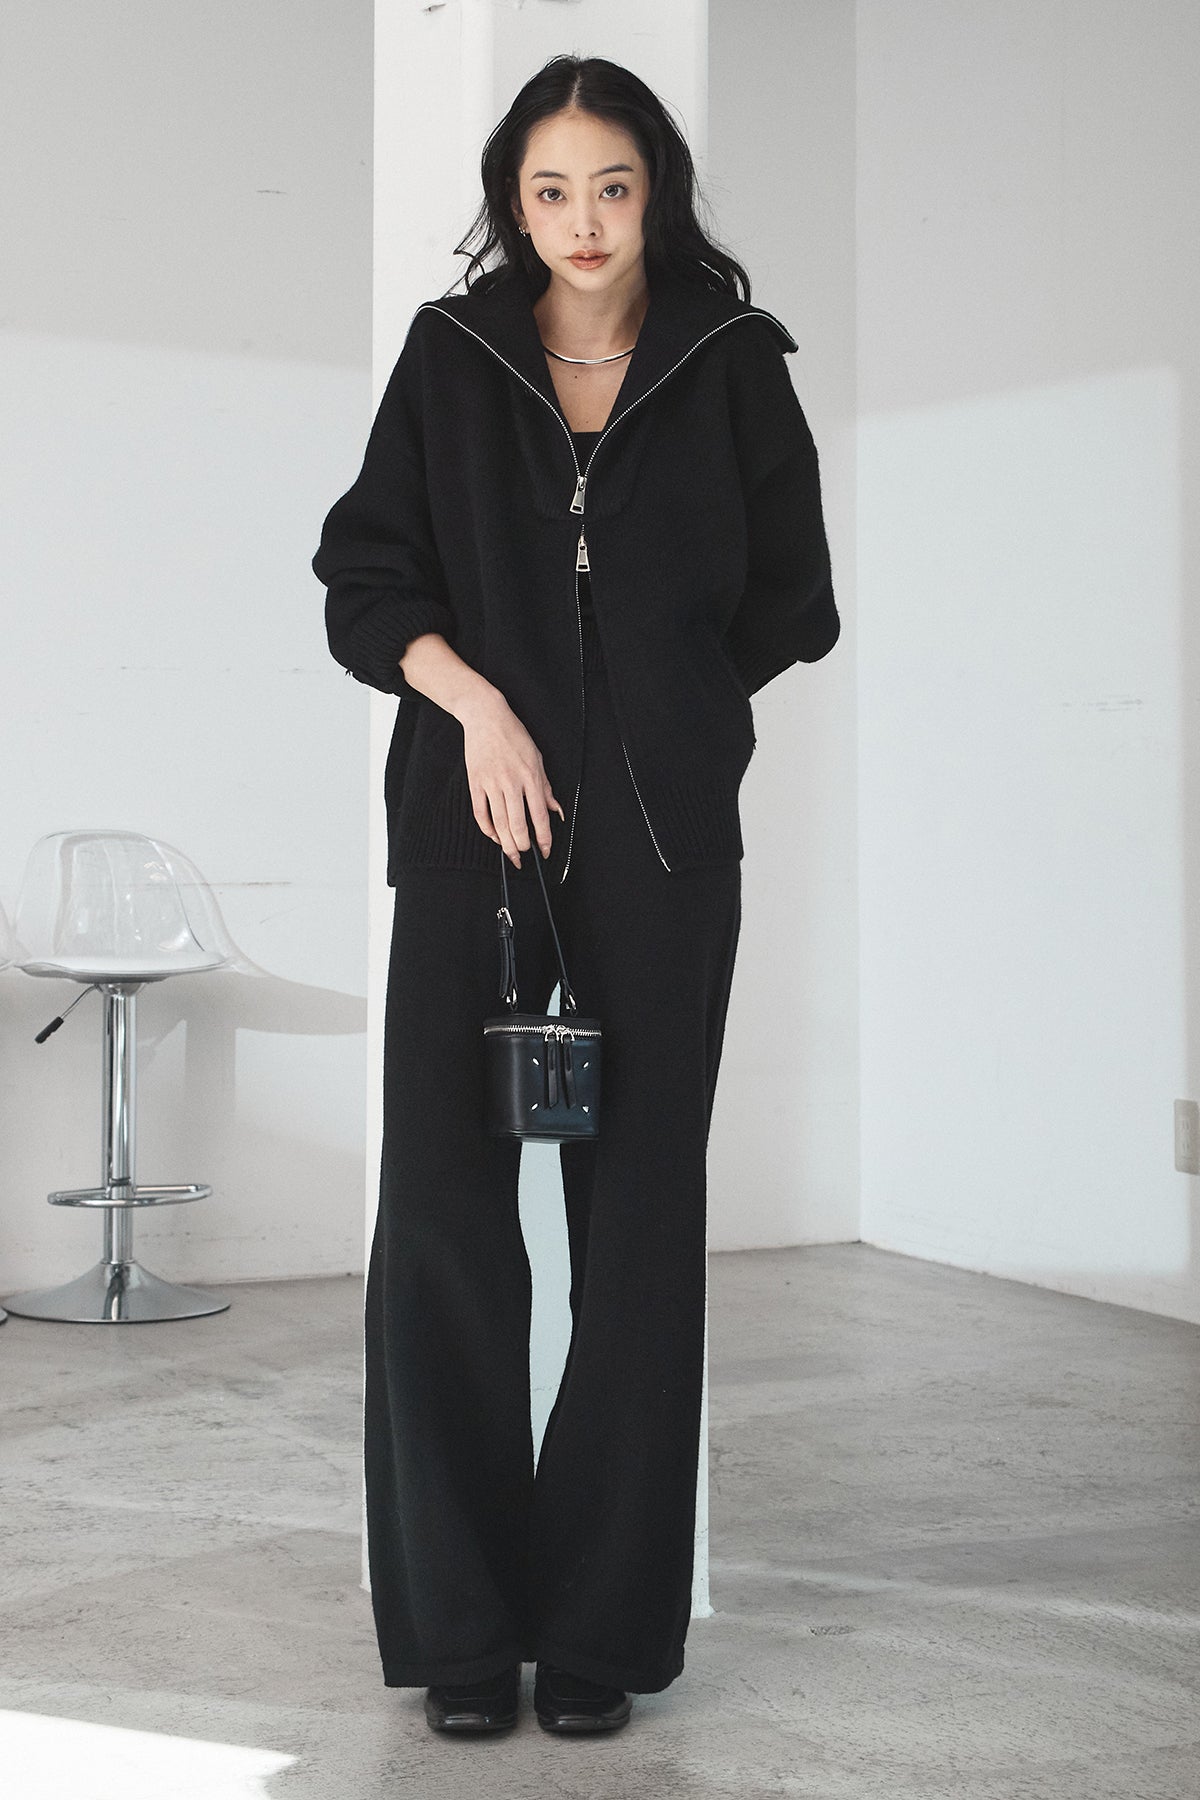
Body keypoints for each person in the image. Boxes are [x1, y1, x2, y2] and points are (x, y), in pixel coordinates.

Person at [311, 53, 839, 1739]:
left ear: (653, 189)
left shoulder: (730, 363)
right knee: (445, 1217)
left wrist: (665, 720)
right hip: (472, 827)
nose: (584, 219)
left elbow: (796, 599)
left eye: (611, 185)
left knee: (638, 1231)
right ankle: (464, 1631)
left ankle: (602, 1627)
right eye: (551, 191)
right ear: (514, 203)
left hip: (662, 851)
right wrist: (480, 707)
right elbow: (362, 579)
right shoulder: (452, 357)